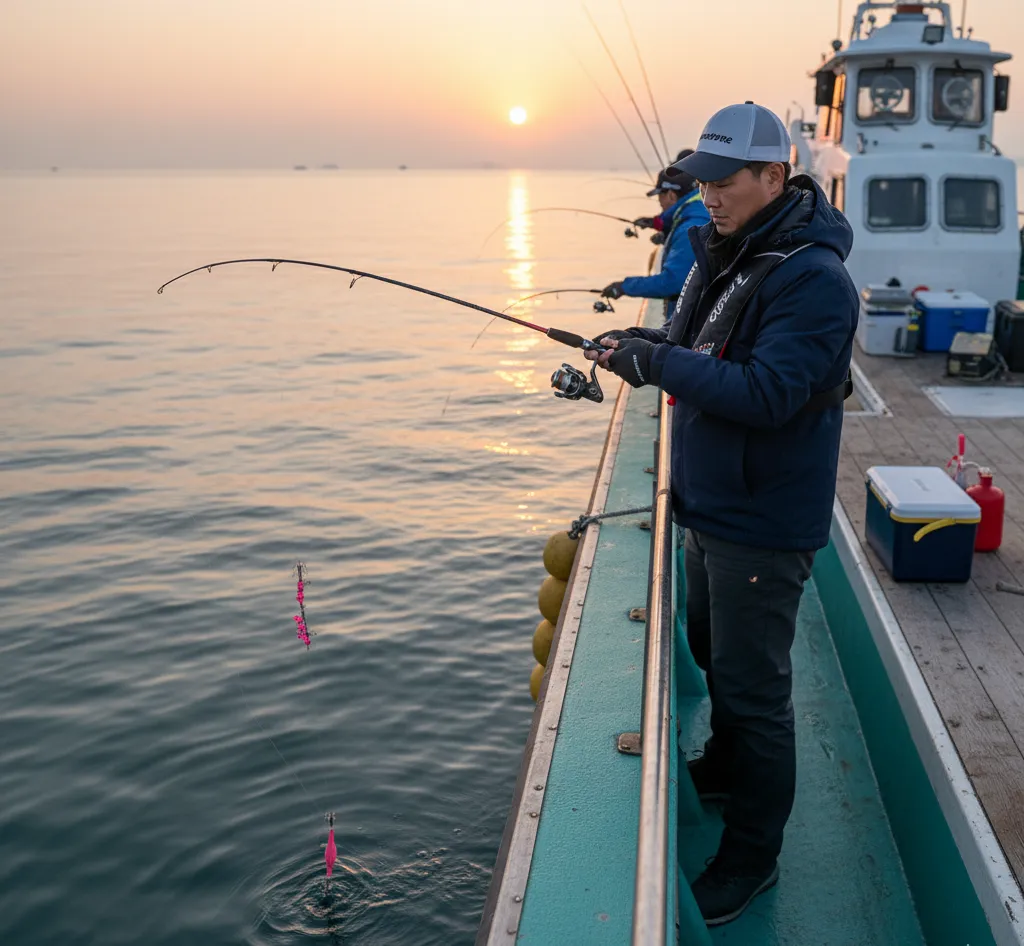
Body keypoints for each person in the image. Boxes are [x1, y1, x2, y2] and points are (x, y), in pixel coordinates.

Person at [587, 102, 858, 926]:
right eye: (700, 180)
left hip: (761, 522)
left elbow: (772, 394)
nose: (706, 194)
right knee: (712, 653)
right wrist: (635, 355)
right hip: (706, 505)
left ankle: (752, 860)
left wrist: (661, 361)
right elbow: (687, 341)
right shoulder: (722, 250)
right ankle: (723, 765)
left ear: (773, 177)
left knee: (755, 693)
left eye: (723, 180)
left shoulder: (812, 277)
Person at [601, 154, 710, 326]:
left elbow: (673, 282)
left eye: (660, 195)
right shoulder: (698, 212)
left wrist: (624, 287)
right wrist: (658, 223)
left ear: (671, 195)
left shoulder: (689, 228)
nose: (659, 202)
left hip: (693, 322)